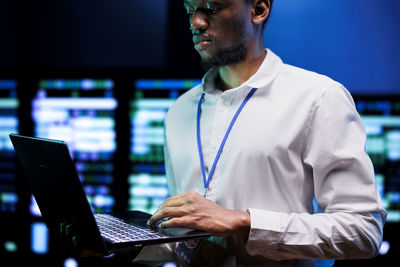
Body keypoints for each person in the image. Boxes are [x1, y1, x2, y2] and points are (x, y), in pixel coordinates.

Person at [140, 0, 387, 266]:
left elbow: (363, 231)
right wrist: (125, 249)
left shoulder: (319, 98)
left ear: (258, 10)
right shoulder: (179, 111)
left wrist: (244, 223)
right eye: (190, 10)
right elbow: (182, 237)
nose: (196, 22)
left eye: (211, 8)